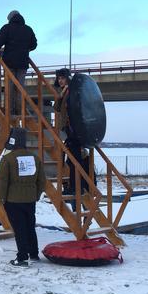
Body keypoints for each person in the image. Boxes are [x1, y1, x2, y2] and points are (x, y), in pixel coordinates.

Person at [0, 127, 46, 267]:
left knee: (19, 229)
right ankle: (34, 253)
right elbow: (42, 181)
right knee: (30, 226)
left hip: (13, 200)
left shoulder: (8, 159)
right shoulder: (35, 158)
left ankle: (22, 257)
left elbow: (2, 181)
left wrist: (2, 198)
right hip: (30, 199)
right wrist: (36, 195)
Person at [0, 10, 37, 115]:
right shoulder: (28, 29)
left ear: (10, 19)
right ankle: (20, 111)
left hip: (9, 63)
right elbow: (34, 45)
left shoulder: (7, 28)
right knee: (20, 88)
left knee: (10, 88)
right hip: (23, 63)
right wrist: (24, 49)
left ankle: (10, 111)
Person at [54, 68, 83, 202]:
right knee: (70, 161)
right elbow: (56, 107)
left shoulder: (72, 91)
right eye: (59, 78)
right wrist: (61, 95)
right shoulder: (64, 91)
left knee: (74, 161)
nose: (60, 80)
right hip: (69, 131)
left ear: (68, 78)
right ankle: (74, 187)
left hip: (74, 131)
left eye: (62, 78)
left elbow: (74, 109)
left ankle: (77, 188)